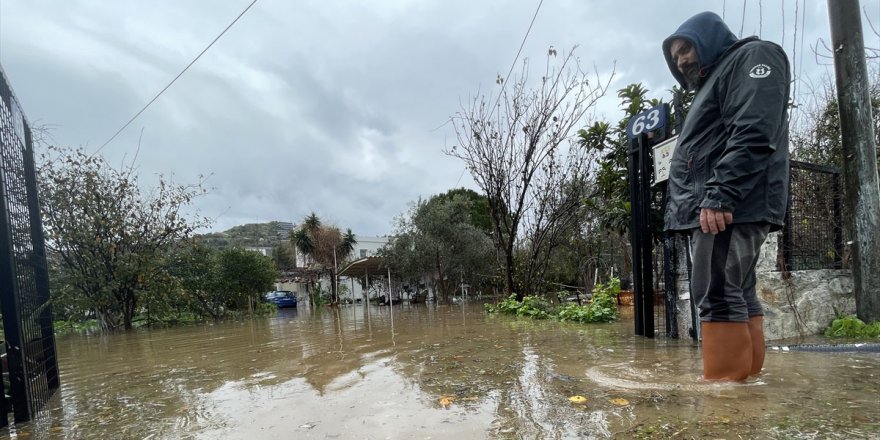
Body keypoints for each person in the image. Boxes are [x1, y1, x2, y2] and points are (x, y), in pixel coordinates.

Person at [662, 12, 791, 381]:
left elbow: (754, 130)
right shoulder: (719, 78)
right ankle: (745, 386)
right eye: (675, 56)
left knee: (716, 292)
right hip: (731, 202)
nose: (681, 60)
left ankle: (725, 399)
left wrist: (720, 194)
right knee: (736, 290)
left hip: (729, 205)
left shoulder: (752, 57)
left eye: (685, 48)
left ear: (708, 38)